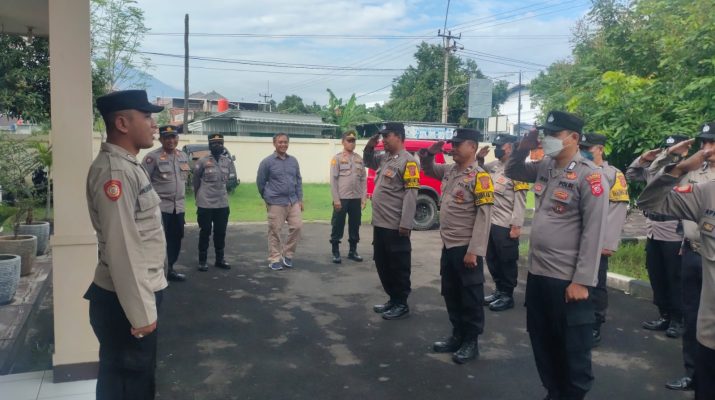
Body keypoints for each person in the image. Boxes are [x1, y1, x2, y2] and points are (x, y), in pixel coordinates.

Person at [505, 111, 609, 400]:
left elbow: (594, 232)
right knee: (543, 342)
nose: (547, 139)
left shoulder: (590, 176)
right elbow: (513, 171)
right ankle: (553, 392)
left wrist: (582, 281)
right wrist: (523, 147)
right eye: (546, 133)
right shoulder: (545, 166)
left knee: (572, 350)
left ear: (574, 138)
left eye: (554, 134)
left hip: (566, 280)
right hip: (539, 275)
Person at [84, 89, 167, 400]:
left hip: (133, 294)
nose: (154, 124)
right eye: (146, 116)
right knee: (127, 385)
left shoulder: (127, 165)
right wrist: (141, 314)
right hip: (125, 301)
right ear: (122, 123)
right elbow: (123, 250)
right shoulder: (115, 172)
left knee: (134, 381)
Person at [637, 141, 715, 400]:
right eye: (705, 143)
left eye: (713, 142)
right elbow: (649, 200)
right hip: (694, 253)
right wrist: (678, 167)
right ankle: (693, 374)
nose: (708, 148)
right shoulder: (706, 188)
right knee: (692, 317)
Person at [419, 128, 493, 364]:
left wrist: (474, 251)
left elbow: (484, 216)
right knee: (451, 292)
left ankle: (471, 342)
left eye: (458, 144)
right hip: (449, 244)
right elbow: (428, 169)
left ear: (472, 147)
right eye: (452, 144)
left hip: (466, 248)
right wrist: (429, 154)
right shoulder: (450, 170)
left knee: (470, 296)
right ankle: (457, 335)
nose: (453, 148)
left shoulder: (480, 177)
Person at [626, 134, 689, 337]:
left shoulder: (688, 171)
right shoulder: (655, 170)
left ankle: (678, 320)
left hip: (675, 232)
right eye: (667, 150)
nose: (670, 153)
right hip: (653, 229)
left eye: (675, 150)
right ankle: (664, 316)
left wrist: (686, 238)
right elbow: (631, 174)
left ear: (685, 151)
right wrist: (644, 158)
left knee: (675, 278)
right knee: (657, 276)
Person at [577, 133, 629, 345]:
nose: (584, 151)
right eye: (581, 147)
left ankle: (595, 324)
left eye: (588, 148)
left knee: (596, 285)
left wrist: (607, 243)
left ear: (600, 149)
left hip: (597, 242)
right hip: (575, 239)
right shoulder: (577, 169)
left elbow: (617, 210)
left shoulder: (613, 174)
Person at [364, 122, 419, 320]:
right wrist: (370, 144)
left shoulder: (409, 162)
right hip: (380, 223)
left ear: (398, 136)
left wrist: (406, 223)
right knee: (382, 263)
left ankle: (401, 303)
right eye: (383, 136)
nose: (384, 140)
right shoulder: (385, 158)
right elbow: (368, 161)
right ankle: (393, 299)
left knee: (398, 265)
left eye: (387, 136)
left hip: (395, 225)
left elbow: (411, 194)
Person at [482, 134, 528, 312]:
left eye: (500, 146)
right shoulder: (495, 166)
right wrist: (479, 158)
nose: (497, 149)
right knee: (492, 259)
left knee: (506, 260)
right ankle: (498, 290)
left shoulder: (517, 169)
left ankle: (507, 295)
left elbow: (521, 200)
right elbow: (479, 169)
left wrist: (516, 225)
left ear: (509, 147)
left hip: (505, 224)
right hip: (491, 222)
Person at [142, 125, 189, 282]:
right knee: (158, 241)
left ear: (177, 138)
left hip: (178, 207)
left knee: (176, 239)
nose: (171, 140)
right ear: (161, 139)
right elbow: (143, 183)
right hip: (160, 207)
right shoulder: (152, 158)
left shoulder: (183, 156)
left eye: (173, 137)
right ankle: (156, 272)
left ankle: (170, 269)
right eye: (167, 137)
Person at [257, 133, 303, 271]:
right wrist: (267, 198)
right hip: (276, 202)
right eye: (280, 142)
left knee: (297, 227)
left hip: (293, 201)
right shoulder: (267, 162)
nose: (283, 144)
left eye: (285, 142)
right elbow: (260, 182)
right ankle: (275, 258)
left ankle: (288, 254)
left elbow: (298, 180)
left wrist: (300, 199)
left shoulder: (293, 161)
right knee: (275, 231)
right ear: (274, 144)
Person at [193, 133, 236, 271]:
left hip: (222, 203)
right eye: (214, 144)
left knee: (220, 232)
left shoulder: (227, 161)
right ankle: (202, 261)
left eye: (220, 143)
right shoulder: (202, 161)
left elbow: (228, 181)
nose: (218, 146)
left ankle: (220, 259)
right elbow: (196, 181)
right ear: (210, 145)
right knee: (205, 232)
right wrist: (197, 197)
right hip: (205, 203)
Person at [329, 130, 367, 264]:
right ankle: (335, 251)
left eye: (353, 141)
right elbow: (333, 180)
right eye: (349, 141)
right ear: (343, 142)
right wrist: (336, 199)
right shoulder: (337, 158)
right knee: (338, 224)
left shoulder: (359, 159)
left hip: (356, 198)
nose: (352, 143)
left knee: (355, 225)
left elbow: (363, 179)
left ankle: (353, 251)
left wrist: (363, 198)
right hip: (342, 198)